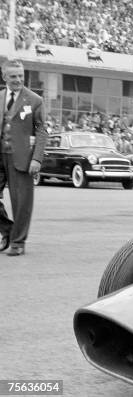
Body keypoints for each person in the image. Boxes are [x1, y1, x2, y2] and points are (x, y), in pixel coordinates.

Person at [0, 59, 47, 256]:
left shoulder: (35, 100)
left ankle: (18, 242)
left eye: (21, 76)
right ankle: (8, 229)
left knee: (22, 203)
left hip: (22, 159)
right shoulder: (0, 96)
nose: (18, 79)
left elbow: (42, 131)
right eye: (13, 76)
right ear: (4, 77)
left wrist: (36, 159)